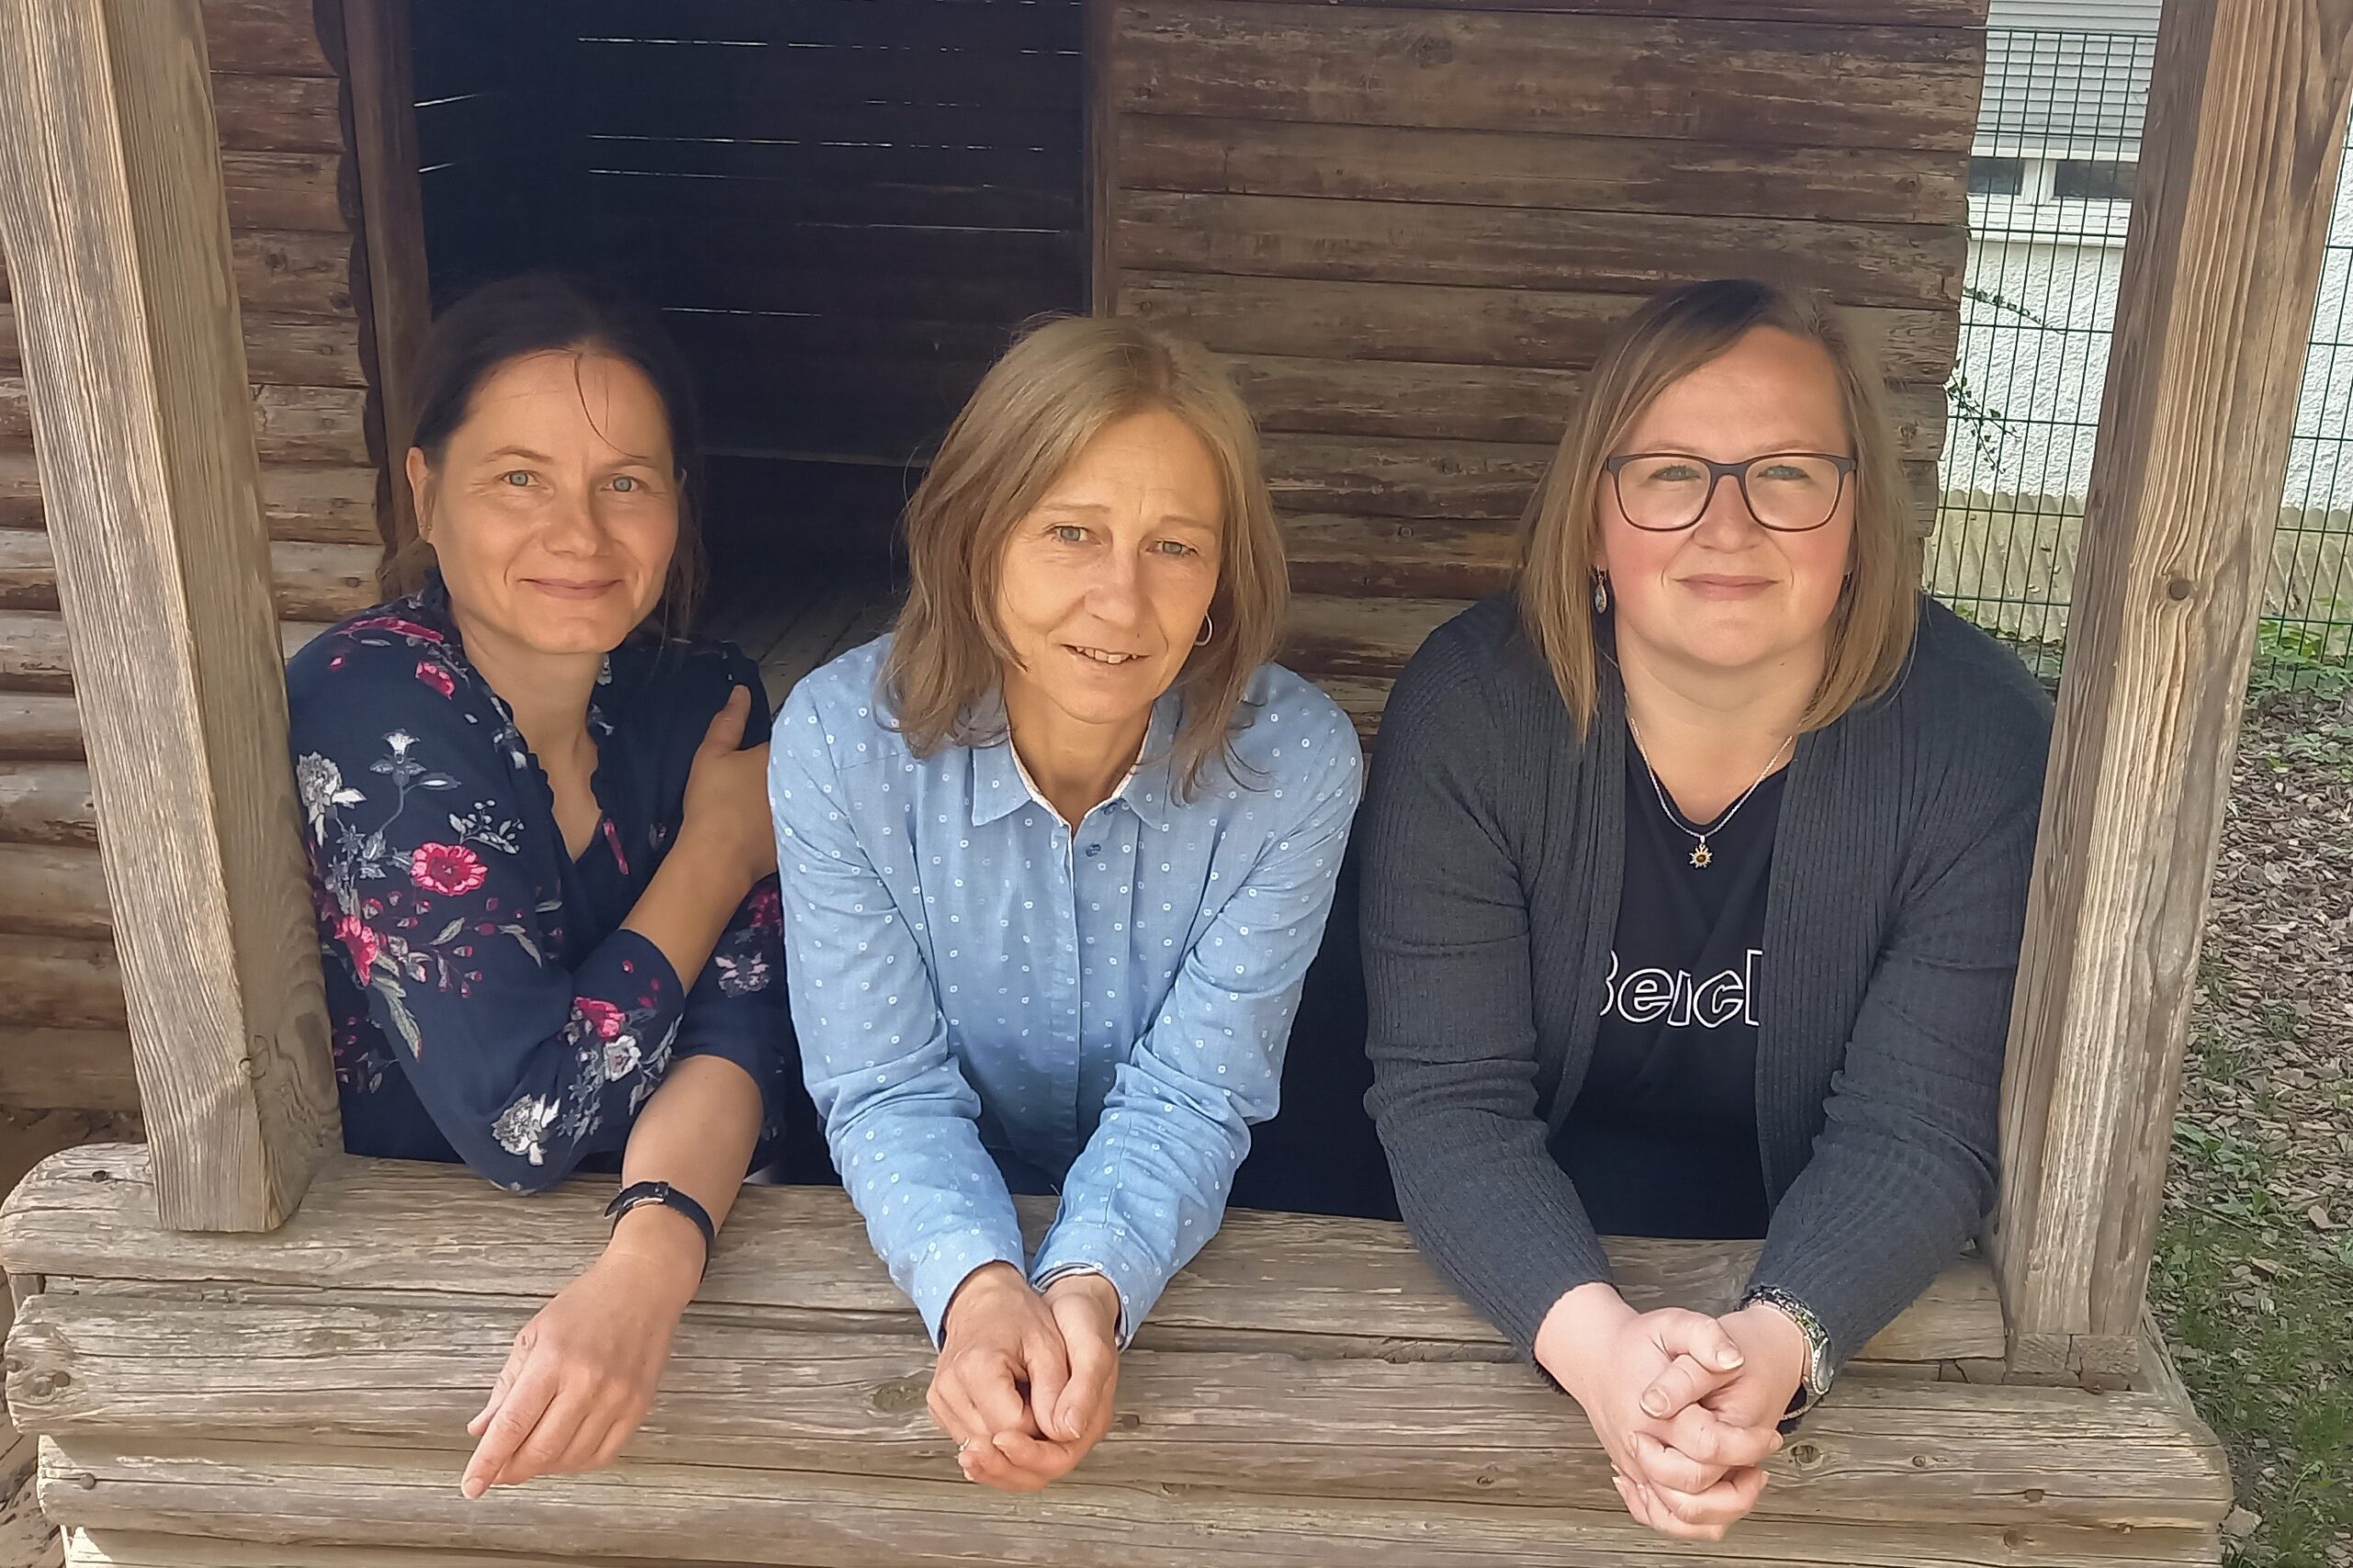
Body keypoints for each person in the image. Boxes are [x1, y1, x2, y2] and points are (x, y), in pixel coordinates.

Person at [1359, 278, 2052, 1540]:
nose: (1728, 524)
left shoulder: (1977, 743)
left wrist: (1775, 1345)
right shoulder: (1477, 710)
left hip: (1812, 1238)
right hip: (1518, 1244)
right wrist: (1605, 1351)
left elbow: (1918, 1128)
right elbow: (1446, 1100)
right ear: (1590, 522)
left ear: (1861, 523)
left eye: (1787, 474)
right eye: (1671, 473)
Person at [770, 316, 1362, 1494]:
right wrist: (979, 1285)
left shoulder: (1292, 764)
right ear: (976, 537)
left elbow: (1197, 1089)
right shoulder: (844, 743)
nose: (1121, 599)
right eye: (1070, 532)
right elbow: (884, 1082)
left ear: (1221, 580)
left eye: (1175, 546)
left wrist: (1088, 1282)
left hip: (1200, 1230)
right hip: (910, 1217)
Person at [285, 273, 801, 1500]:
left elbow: (741, 1021)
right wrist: (719, 849)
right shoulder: (376, 709)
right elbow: (528, 1122)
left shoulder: (701, 697)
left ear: (677, 500)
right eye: (521, 477)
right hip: (413, 1303)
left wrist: (650, 1253)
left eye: (626, 481)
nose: (581, 531)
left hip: (673, 1262)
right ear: (426, 488)